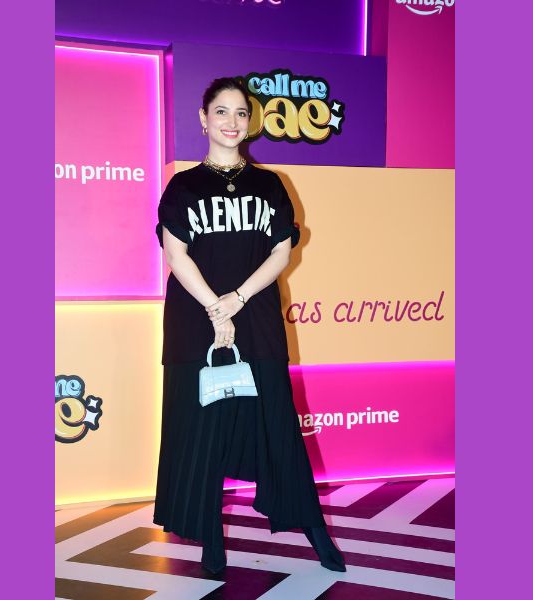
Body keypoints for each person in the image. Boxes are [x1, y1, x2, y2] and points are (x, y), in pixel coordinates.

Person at [152, 77, 346, 576]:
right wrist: (216, 310)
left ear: (251, 122)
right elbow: (176, 254)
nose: (232, 122)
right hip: (195, 323)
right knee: (202, 432)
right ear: (203, 119)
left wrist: (236, 301)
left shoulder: (270, 184)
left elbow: (281, 251)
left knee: (277, 424)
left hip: (256, 319)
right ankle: (210, 540)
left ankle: (314, 529)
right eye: (222, 111)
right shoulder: (183, 186)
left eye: (241, 113)